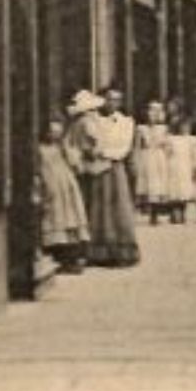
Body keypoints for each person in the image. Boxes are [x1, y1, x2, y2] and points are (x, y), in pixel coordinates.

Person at [75, 87, 140, 267]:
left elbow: (124, 147)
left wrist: (105, 153)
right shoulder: (94, 121)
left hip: (115, 166)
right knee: (99, 207)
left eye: (117, 100)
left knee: (118, 207)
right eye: (110, 99)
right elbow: (87, 142)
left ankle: (121, 251)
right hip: (98, 167)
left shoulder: (126, 122)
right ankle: (99, 253)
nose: (113, 103)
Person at [37, 112, 90, 274]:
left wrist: (68, 150)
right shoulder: (40, 149)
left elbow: (76, 164)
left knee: (69, 218)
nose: (54, 136)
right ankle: (56, 255)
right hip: (51, 184)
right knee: (55, 218)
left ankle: (70, 257)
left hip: (66, 184)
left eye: (57, 133)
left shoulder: (62, 147)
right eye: (51, 133)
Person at [135, 100, 171, 223]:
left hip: (159, 157)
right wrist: (136, 159)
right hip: (146, 156)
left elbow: (167, 145)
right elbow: (137, 146)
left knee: (158, 183)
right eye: (150, 112)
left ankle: (156, 211)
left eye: (156, 113)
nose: (152, 115)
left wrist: (167, 157)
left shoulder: (163, 129)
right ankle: (149, 210)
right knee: (148, 182)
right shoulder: (141, 129)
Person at [163, 115, 196, 224]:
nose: (185, 129)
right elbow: (167, 153)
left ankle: (182, 212)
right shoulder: (172, 139)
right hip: (174, 166)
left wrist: (195, 167)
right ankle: (174, 212)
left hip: (186, 166)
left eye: (187, 127)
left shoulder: (192, 139)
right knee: (174, 190)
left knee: (185, 190)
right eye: (183, 126)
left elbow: (194, 154)